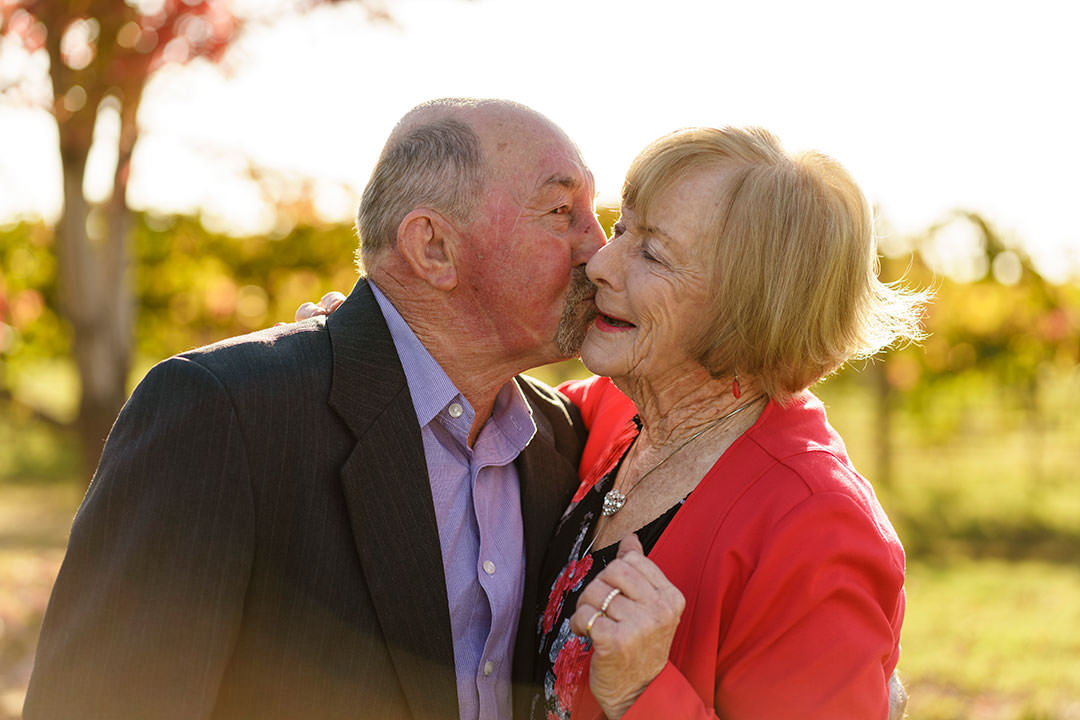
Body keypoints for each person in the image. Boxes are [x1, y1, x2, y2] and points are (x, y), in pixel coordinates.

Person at [24, 98, 607, 720]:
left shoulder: (560, 440)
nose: (598, 248)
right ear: (432, 247)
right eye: (560, 211)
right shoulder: (224, 413)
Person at [530, 126, 926, 720]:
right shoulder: (616, 411)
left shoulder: (818, 528)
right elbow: (485, 413)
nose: (601, 265)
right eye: (621, 228)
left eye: (654, 254)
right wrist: (370, 349)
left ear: (752, 308)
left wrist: (642, 693)